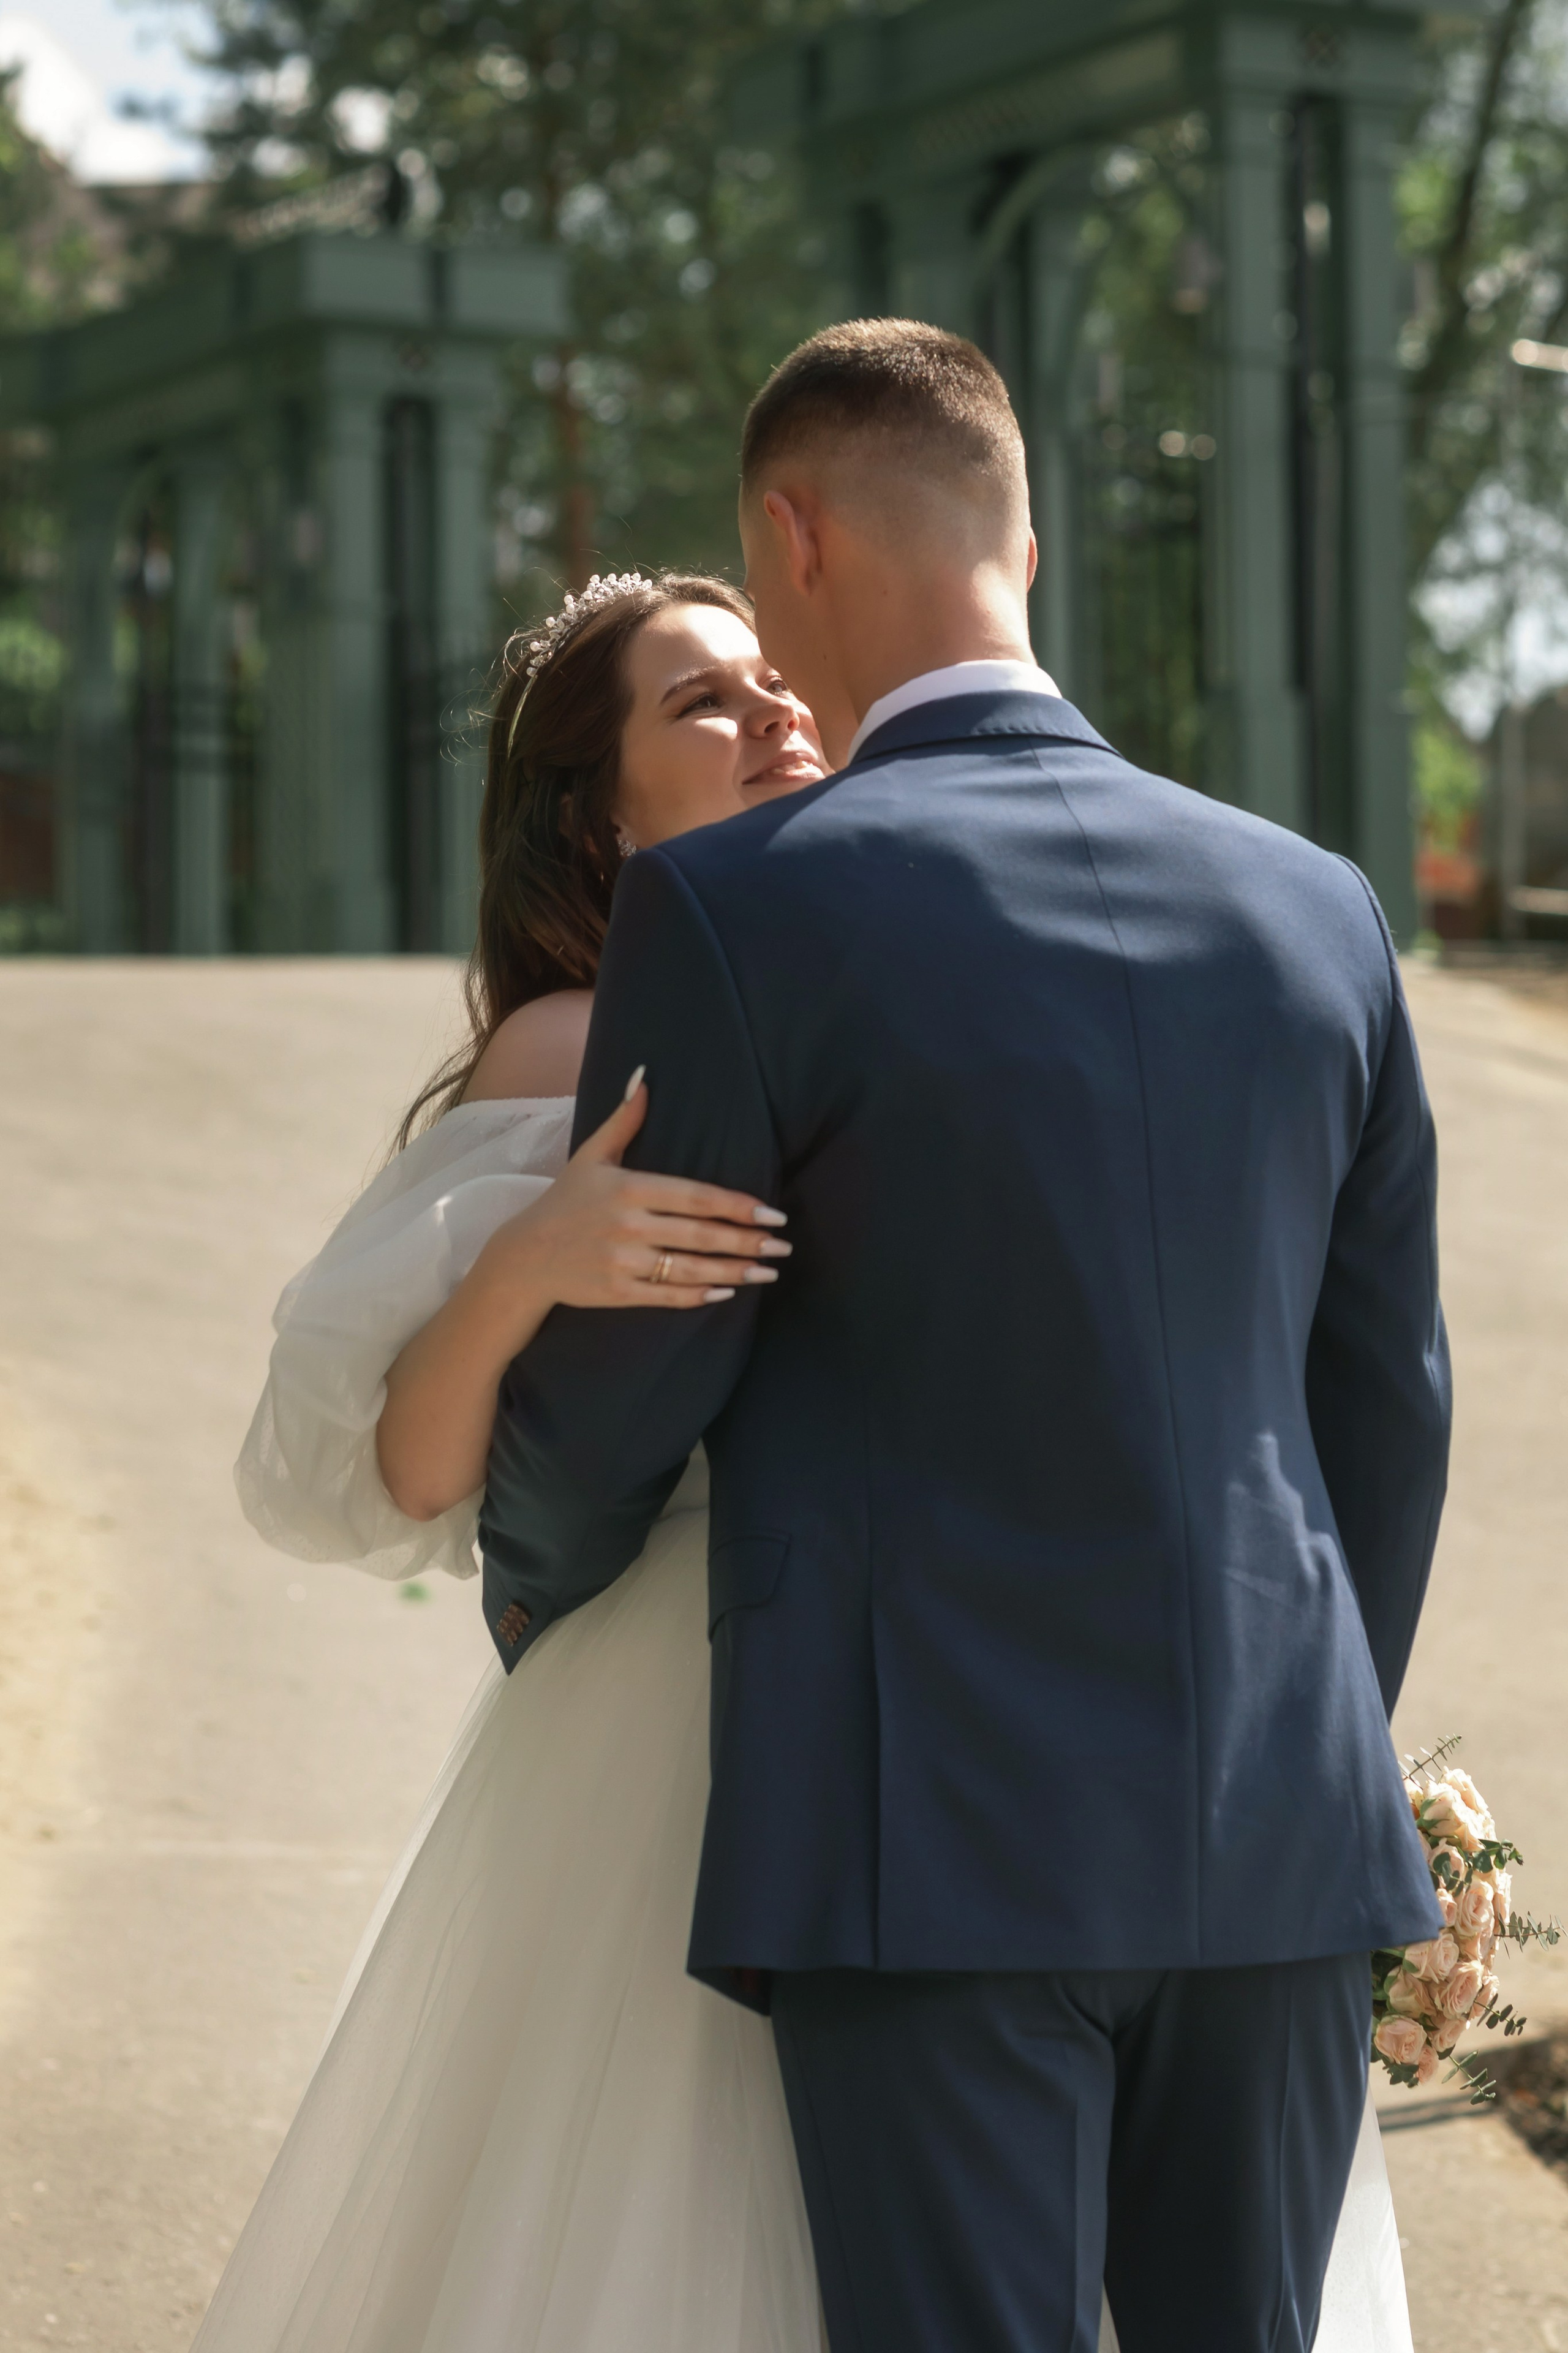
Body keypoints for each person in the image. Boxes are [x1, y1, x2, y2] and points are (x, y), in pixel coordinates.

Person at [477, 322, 1451, 2353]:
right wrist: (1307, 1733)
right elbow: (1389, 1399)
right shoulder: (1321, 908)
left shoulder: (740, 911)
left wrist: (542, 1605)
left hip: (929, 1845)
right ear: (1026, 531)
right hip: (1272, 1834)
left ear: (794, 529)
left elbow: (648, 1345)